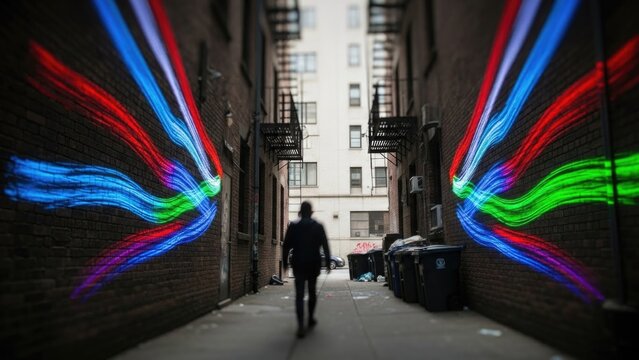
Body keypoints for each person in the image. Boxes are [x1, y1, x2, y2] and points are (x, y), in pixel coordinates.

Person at [283, 201, 331, 338]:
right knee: (312, 291)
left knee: (299, 295)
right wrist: (327, 262)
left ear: (300, 212)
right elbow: (325, 245)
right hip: (313, 263)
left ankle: (300, 326)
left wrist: (285, 263)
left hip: (298, 264)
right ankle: (310, 318)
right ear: (311, 212)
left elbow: (286, 246)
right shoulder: (318, 227)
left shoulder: (293, 227)